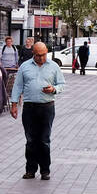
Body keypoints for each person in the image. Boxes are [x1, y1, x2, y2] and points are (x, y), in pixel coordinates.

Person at [10, 42, 66, 179]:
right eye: (38, 55)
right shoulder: (25, 66)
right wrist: (14, 104)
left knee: (44, 140)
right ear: (33, 54)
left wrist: (54, 89)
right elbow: (18, 86)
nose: (41, 58)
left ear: (46, 52)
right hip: (29, 107)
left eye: (43, 55)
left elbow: (61, 84)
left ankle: (45, 171)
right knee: (30, 140)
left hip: (46, 106)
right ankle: (30, 170)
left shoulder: (54, 66)